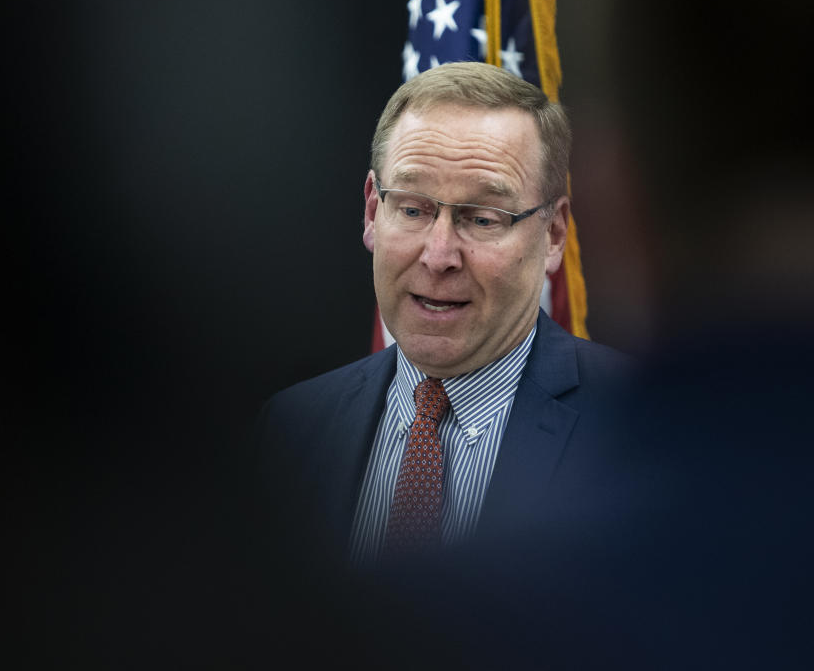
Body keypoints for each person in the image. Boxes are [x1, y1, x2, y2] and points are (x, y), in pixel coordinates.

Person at [245, 65, 644, 667]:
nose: (439, 255)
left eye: (482, 219)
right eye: (411, 209)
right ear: (371, 213)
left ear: (555, 233)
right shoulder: (293, 428)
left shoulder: (640, 427)